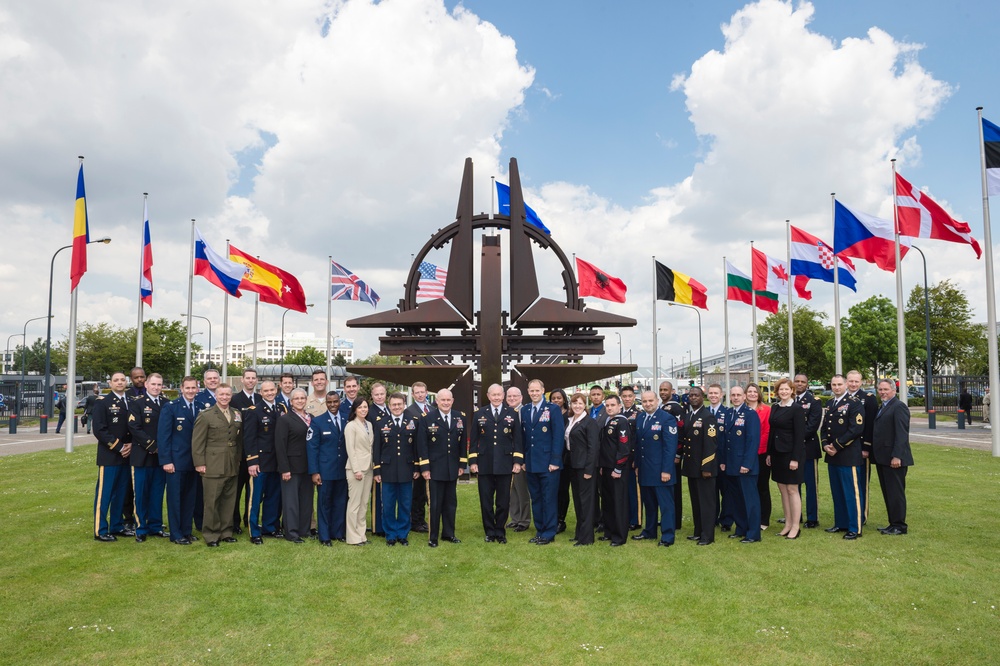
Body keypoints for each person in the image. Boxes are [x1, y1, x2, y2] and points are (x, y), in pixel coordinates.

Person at [469, 383, 523, 544]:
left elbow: (518, 440)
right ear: (488, 396)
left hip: (505, 464)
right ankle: (489, 531)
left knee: (503, 501)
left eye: (499, 394)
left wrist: (518, 461)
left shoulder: (511, 414)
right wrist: (473, 461)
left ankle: (500, 531)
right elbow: (474, 440)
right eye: (494, 395)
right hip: (484, 464)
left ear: (503, 395)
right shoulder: (479, 414)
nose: (497, 397)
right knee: (486, 501)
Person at [192, 385, 243, 547]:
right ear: (216, 395)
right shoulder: (206, 415)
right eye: (221, 394)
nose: (225, 397)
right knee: (212, 501)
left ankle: (226, 532)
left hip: (231, 463)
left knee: (229, 500)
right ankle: (211, 534)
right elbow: (197, 442)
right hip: (212, 464)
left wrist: (238, 459)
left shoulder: (236, 414)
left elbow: (239, 440)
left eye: (228, 394)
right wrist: (200, 463)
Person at [417, 388, 467, 547]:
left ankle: (449, 534)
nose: (446, 403)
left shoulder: (460, 417)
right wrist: (425, 468)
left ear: (452, 401)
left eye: (448, 400)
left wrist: (461, 464)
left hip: (452, 468)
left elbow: (462, 442)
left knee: (451, 503)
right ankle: (433, 537)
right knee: (435, 504)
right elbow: (422, 445)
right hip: (434, 469)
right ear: (436, 401)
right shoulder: (427, 418)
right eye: (442, 400)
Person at [521, 379, 565, 545]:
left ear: (543, 390)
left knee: (549, 499)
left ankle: (549, 533)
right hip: (532, 463)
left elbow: (558, 436)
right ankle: (540, 530)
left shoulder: (552, 409)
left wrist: (555, 460)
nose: (534, 393)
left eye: (537, 390)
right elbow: (524, 437)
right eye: (531, 391)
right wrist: (524, 460)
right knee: (536, 498)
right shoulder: (525, 410)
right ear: (528, 391)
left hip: (549, 464)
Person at [158, 376, 202, 545]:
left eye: (194, 388)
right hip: (175, 462)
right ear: (181, 389)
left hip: (194, 461)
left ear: (198, 389)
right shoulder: (171, 408)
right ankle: (176, 534)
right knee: (175, 498)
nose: (191, 391)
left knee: (190, 498)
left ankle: (187, 530)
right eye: (188, 388)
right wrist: (166, 461)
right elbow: (164, 437)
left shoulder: (200, 407)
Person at [91, 372, 133, 542]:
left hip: (127, 456)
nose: (120, 382)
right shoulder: (103, 403)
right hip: (109, 455)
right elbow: (99, 429)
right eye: (116, 380)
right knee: (104, 494)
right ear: (110, 383)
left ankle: (117, 526)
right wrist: (119, 446)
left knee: (121, 494)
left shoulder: (130, 401)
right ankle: (100, 530)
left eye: (123, 380)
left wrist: (130, 445)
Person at [242, 380, 286, 544]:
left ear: (276, 390)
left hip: (277, 462)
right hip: (260, 462)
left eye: (272, 390)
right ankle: (254, 531)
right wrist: (252, 462)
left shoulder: (282, 408)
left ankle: (270, 527)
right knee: (255, 499)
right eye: (266, 391)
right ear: (261, 393)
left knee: (274, 497)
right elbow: (249, 438)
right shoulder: (254, 411)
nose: (269, 393)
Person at [822, 374, 865, 540]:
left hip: (848, 455)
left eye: (839, 384)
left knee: (851, 493)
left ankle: (855, 527)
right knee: (837, 492)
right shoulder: (830, 403)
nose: (837, 387)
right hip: (833, 456)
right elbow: (825, 427)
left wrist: (837, 446)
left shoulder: (854, 404)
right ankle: (841, 523)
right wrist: (825, 445)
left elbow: (856, 429)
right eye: (834, 384)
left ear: (846, 384)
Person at [632, 390, 678, 547]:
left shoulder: (667, 419)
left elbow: (670, 448)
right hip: (645, 470)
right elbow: (639, 445)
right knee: (649, 504)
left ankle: (667, 536)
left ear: (657, 401)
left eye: (650, 400)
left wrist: (667, 470)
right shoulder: (641, 418)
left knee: (666, 506)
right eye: (644, 401)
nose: (647, 404)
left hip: (661, 472)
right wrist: (637, 465)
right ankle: (649, 531)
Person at [373, 392, 420, 546]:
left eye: (399, 404)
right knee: (388, 504)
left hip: (407, 469)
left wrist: (416, 468)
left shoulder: (412, 422)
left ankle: (403, 533)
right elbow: (377, 449)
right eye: (393, 405)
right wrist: (377, 470)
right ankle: (390, 534)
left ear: (404, 404)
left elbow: (416, 448)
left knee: (405, 504)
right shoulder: (381, 423)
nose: (397, 407)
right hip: (387, 470)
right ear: (389, 405)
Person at [127, 372, 168, 542]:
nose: (156, 387)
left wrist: (163, 449)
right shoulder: (137, 404)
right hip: (142, 456)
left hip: (161, 458)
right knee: (141, 493)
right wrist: (153, 445)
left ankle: (155, 526)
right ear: (146, 385)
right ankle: (141, 527)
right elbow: (134, 427)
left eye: (159, 385)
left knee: (157, 493)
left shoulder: (167, 404)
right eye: (153, 384)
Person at [720, 386, 761, 543]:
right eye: (733, 395)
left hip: (745, 466)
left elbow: (752, 441)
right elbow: (724, 440)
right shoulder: (729, 413)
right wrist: (723, 461)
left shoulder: (750, 415)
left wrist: (747, 464)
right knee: (736, 499)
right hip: (731, 465)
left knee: (750, 501)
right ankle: (741, 528)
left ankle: (753, 533)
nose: (736, 397)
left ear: (744, 396)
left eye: (738, 395)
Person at [308, 392, 349, 546]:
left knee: (340, 502)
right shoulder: (317, 422)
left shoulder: (346, 419)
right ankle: (324, 536)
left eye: (335, 402)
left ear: (340, 402)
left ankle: (337, 532)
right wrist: (314, 472)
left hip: (343, 469)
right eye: (329, 402)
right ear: (326, 403)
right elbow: (312, 448)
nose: (332, 405)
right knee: (324, 503)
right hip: (325, 471)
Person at [873, 379, 914, 535]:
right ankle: (892, 523)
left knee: (896, 493)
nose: (883, 392)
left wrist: (897, 456)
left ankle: (899, 526)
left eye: (886, 389)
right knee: (888, 492)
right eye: (880, 389)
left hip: (894, 459)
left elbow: (901, 434)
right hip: (883, 458)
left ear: (893, 391)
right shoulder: (882, 407)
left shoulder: (899, 407)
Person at [767, 378, 805, 540]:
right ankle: (788, 524)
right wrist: (769, 453)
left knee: (792, 490)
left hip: (791, 455)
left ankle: (796, 526)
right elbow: (772, 431)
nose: (783, 392)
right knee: (782, 490)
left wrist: (795, 458)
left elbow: (799, 436)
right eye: (780, 389)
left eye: (786, 389)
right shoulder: (775, 407)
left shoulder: (796, 409)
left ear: (792, 391)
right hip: (777, 454)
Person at [275, 388, 313, 543]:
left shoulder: (311, 418)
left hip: (308, 467)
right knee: (291, 502)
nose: (300, 401)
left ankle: (304, 530)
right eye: (296, 398)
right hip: (291, 467)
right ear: (291, 402)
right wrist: (284, 468)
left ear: (306, 400)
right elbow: (280, 445)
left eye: (302, 398)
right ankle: (291, 533)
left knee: (306, 500)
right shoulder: (285, 419)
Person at [681, 386, 717, 545]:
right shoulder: (689, 415)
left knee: (706, 503)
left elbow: (711, 444)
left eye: (696, 395)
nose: (693, 398)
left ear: (703, 397)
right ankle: (698, 531)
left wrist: (707, 467)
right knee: (696, 501)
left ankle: (707, 536)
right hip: (692, 467)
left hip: (704, 468)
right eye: (691, 395)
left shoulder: (707, 417)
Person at [596, 395, 631, 546]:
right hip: (606, 468)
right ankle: (609, 532)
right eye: (607, 405)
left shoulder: (621, 422)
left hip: (617, 469)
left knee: (618, 502)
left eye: (612, 405)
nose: (609, 408)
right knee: (608, 501)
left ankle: (619, 536)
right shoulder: (608, 421)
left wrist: (618, 467)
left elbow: (624, 448)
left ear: (619, 406)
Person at [230, 367, 259, 535]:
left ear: (256, 380)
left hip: (255, 455)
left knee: (253, 492)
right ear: (242, 380)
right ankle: (234, 522)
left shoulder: (260, 399)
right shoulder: (234, 400)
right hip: (239, 454)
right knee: (236, 491)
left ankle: (249, 520)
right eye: (247, 378)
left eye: (253, 378)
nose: (250, 380)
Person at [846, 370, 877, 525]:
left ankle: (862, 515)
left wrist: (867, 447)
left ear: (861, 382)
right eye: (850, 381)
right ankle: (849, 514)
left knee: (862, 483)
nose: (853, 384)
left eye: (856, 381)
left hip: (860, 448)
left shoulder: (868, 399)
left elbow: (871, 425)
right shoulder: (841, 399)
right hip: (845, 448)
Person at [794, 374, 824, 529]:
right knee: (794, 484)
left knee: (810, 485)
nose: (799, 384)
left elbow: (812, 426)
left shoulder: (814, 402)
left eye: (802, 382)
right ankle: (795, 515)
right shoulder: (788, 400)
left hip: (808, 449)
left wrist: (793, 439)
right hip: (791, 451)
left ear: (807, 384)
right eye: (797, 381)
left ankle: (812, 518)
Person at [344, 397, 374, 546]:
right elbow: (351, 450)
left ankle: (361, 535)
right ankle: (352, 537)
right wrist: (356, 470)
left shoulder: (369, 424)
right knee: (354, 504)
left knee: (364, 503)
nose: (363, 409)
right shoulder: (351, 426)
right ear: (355, 409)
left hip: (369, 468)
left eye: (365, 407)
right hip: (356, 469)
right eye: (360, 407)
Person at [405, 381, 432, 533]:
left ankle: (428, 519)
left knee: (431, 492)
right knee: (418, 493)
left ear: (427, 392)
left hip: (432, 457)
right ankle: (416, 521)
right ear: (413, 394)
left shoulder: (434, 409)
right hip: (417, 457)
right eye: (417, 392)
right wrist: (416, 464)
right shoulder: (409, 412)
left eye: (423, 392)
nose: (420, 395)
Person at [706, 384, 733, 531]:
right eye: (711, 393)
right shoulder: (703, 412)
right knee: (711, 491)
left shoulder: (727, 413)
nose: (713, 395)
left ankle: (727, 520)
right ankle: (712, 518)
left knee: (726, 492)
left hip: (723, 460)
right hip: (708, 461)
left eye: (716, 393)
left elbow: (727, 440)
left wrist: (724, 461)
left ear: (721, 395)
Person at [659, 381, 685, 531]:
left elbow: (681, 430)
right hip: (663, 453)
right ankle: (667, 519)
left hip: (673, 455)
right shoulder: (662, 407)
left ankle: (675, 522)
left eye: (665, 390)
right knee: (666, 488)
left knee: (674, 488)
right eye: (661, 390)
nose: (663, 392)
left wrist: (678, 453)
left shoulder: (675, 408)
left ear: (672, 391)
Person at [745, 384, 771, 531]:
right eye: (750, 391)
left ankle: (763, 519)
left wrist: (756, 449)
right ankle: (749, 517)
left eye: (755, 391)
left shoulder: (766, 410)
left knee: (762, 487)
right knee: (747, 488)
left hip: (760, 454)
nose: (752, 394)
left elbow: (767, 432)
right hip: (745, 456)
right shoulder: (742, 410)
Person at [366, 382, 391, 537]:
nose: (380, 397)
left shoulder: (390, 409)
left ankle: (386, 523)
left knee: (386, 494)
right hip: (376, 455)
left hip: (389, 456)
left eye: (382, 394)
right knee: (377, 494)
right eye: (377, 394)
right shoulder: (369, 412)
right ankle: (377, 527)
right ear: (372, 396)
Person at [506, 386, 531, 533]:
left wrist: (523, 460)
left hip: (521, 458)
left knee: (522, 491)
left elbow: (526, 439)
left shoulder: (526, 412)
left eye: (515, 396)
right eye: (509, 396)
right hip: (508, 457)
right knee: (512, 489)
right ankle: (514, 518)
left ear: (521, 397)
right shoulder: (506, 412)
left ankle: (524, 520)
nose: (512, 399)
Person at [548, 388, 573, 535]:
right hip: (553, 457)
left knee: (563, 490)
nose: (556, 400)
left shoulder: (569, 415)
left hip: (567, 458)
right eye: (553, 398)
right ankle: (553, 517)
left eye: (559, 398)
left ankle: (561, 520)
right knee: (553, 490)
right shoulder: (548, 413)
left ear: (564, 399)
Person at [619, 385, 642, 531]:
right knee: (623, 490)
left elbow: (639, 439)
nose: (627, 399)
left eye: (629, 396)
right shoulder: (618, 412)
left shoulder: (638, 414)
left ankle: (636, 519)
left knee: (634, 491)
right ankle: (625, 517)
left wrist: (637, 459)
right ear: (621, 397)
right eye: (624, 396)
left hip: (633, 458)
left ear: (634, 397)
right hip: (621, 458)